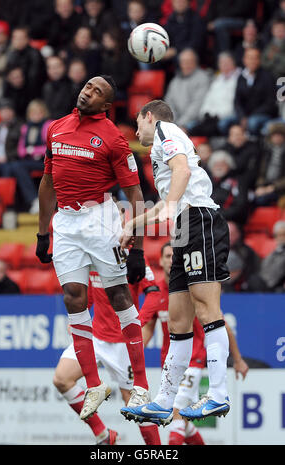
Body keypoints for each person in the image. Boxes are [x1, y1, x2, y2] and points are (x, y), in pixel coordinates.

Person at [36, 75, 150, 422]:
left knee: (118, 296)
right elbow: (47, 182)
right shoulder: (56, 128)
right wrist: (43, 234)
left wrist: (139, 249)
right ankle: (95, 384)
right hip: (66, 222)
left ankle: (141, 382)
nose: (88, 92)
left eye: (97, 91)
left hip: (100, 216)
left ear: (106, 106)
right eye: (88, 86)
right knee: (73, 295)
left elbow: (135, 195)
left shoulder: (115, 139)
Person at [119, 99, 231, 424]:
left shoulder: (166, 131)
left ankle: (218, 394)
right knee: (179, 321)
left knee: (207, 308)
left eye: (137, 123)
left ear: (149, 116)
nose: (136, 130)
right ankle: (164, 401)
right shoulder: (160, 151)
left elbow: (182, 170)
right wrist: (132, 225)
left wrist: (169, 205)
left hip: (200, 219)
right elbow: (163, 206)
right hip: (184, 225)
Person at [140, 242, 249, 445]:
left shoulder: (192, 289)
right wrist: (133, 358)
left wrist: (239, 359)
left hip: (194, 361)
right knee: (180, 418)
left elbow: (221, 325)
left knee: (176, 411)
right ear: (160, 261)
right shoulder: (156, 292)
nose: (171, 260)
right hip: (170, 363)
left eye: (174, 255)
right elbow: (147, 329)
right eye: (166, 256)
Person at [54, 260, 162, 445]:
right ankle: (104, 435)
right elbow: (90, 293)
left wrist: (137, 322)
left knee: (136, 403)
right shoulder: (92, 254)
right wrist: (81, 313)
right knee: (62, 379)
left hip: (123, 344)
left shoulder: (132, 257)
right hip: (95, 337)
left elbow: (154, 295)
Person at [187, 52, 240, 137]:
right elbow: (208, 99)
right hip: (211, 117)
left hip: (227, 116)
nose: (224, 66)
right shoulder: (218, 80)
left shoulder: (239, 79)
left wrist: (218, 115)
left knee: (220, 125)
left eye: (227, 63)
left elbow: (234, 104)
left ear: (233, 63)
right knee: (190, 126)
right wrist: (205, 113)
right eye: (222, 63)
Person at [234, 47, 277, 136]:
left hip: (264, 115)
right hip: (245, 116)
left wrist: (250, 116)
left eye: (255, 58)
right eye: (250, 58)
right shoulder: (241, 77)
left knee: (252, 123)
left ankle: (255, 144)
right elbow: (237, 101)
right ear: (244, 60)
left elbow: (270, 103)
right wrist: (242, 116)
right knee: (225, 123)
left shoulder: (268, 77)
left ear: (259, 60)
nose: (252, 61)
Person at [164, 48, 211, 131]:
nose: (186, 65)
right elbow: (169, 103)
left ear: (196, 62)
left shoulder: (203, 78)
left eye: (190, 61)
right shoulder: (175, 80)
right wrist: (174, 123)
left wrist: (181, 123)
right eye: (184, 62)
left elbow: (197, 105)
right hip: (176, 122)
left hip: (196, 121)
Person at [208, 150, 249, 225]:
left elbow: (240, 206)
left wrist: (217, 216)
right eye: (216, 164)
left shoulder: (237, 182)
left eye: (222, 164)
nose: (219, 167)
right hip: (207, 220)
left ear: (229, 166)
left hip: (229, 221)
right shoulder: (206, 182)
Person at [6, 26, 46, 99]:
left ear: (27, 39)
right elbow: (8, 76)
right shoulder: (11, 54)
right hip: (15, 91)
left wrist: (19, 78)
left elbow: (34, 78)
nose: (18, 41)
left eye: (21, 38)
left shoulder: (35, 54)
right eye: (16, 38)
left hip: (32, 92)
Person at [254, 122, 285, 206]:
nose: (277, 138)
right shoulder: (266, 151)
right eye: (274, 135)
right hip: (266, 185)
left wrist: (272, 187)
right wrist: (260, 186)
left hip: (280, 188)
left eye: (280, 135)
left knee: (261, 200)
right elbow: (260, 173)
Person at [221, 124, 259, 189]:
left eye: (240, 134)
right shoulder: (223, 150)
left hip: (247, 186)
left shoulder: (253, 149)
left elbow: (250, 171)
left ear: (245, 136)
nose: (237, 138)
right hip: (226, 184)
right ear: (229, 138)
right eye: (234, 135)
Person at [42, 55, 73, 120]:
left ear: (64, 67)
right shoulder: (46, 87)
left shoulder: (73, 86)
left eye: (57, 66)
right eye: (51, 67)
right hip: (51, 125)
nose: (54, 70)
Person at [258, 220, 285, 292]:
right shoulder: (273, 252)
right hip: (266, 284)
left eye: (283, 234)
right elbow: (263, 270)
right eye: (277, 235)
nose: (280, 238)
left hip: (277, 286)